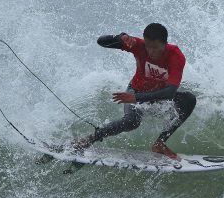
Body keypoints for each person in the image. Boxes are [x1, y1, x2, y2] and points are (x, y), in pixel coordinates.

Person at [72, 23, 196, 160]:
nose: (151, 52)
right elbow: (101, 41)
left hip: (153, 95)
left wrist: (136, 98)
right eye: (148, 47)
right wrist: (121, 36)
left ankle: (160, 143)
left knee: (189, 100)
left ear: (165, 44)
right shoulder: (138, 45)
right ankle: (89, 139)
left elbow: (170, 93)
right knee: (132, 121)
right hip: (136, 89)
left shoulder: (176, 56)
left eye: (155, 48)